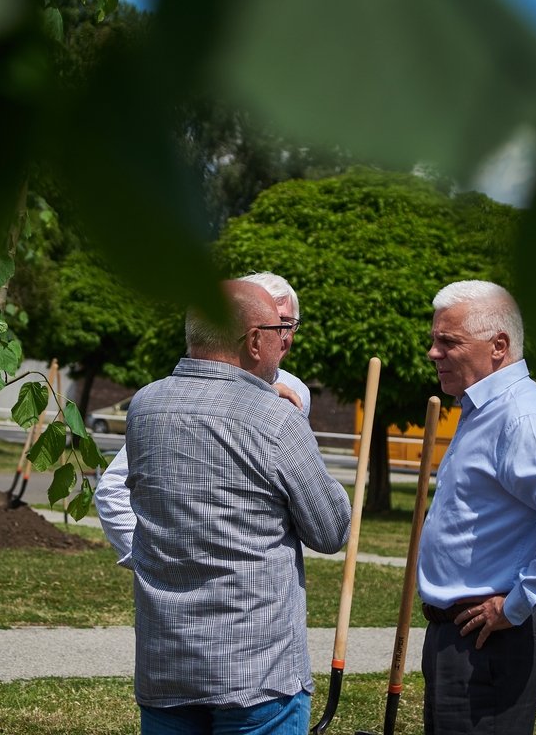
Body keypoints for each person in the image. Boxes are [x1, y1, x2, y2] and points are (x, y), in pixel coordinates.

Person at [123, 280, 350, 735]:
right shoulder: (275, 419)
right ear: (253, 340)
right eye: (280, 329)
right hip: (256, 674)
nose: (284, 341)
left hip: (166, 661)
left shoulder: (144, 407)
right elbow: (330, 529)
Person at [417, 280, 536, 734]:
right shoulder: (484, 408)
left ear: (498, 346)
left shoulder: (521, 417)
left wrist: (515, 604)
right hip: (463, 636)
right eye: (434, 339)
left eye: (448, 342)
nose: (432, 353)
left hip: (490, 640)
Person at [95, 271, 309, 565]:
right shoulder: (182, 395)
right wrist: (151, 562)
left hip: (254, 590)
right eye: (265, 321)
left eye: (285, 323)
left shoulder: (295, 394)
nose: (277, 335)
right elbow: (113, 490)